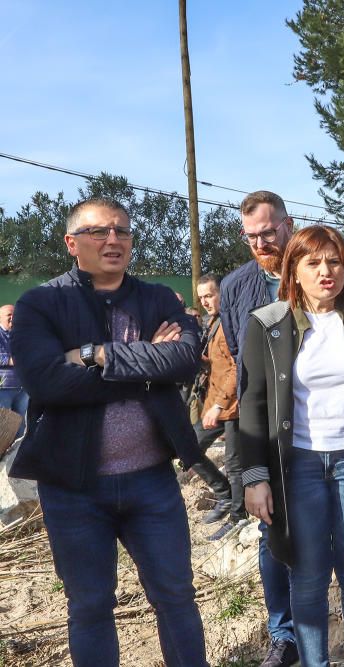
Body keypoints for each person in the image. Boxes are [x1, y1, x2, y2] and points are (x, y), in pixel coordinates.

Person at [9, 197, 208, 666]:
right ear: (71, 243)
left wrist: (97, 354)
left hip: (152, 481)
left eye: (122, 230)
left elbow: (183, 361)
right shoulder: (41, 304)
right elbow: (45, 382)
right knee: (90, 606)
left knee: (176, 595)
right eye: (100, 231)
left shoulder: (157, 297)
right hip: (72, 489)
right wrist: (143, 366)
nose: (113, 239)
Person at [220, 191, 344, 667]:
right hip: (297, 466)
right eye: (314, 264)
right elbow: (254, 404)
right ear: (294, 271)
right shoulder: (268, 324)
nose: (327, 272)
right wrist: (255, 476)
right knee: (307, 577)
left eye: (335, 262)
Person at [188, 273, 247, 537]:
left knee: (234, 464)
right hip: (215, 402)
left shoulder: (229, 323)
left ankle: (237, 516)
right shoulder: (213, 322)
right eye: (201, 298)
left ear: (222, 293)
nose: (205, 302)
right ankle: (224, 494)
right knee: (189, 448)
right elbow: (218, 364)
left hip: (232, 406)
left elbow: (236, 367)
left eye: (209, 296)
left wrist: (219, 406)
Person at [0, 304, 28, 439]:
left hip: (23, 387)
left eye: (15, 315)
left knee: (20, 420)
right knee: (2, 422)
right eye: (8, 315)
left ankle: (17, 453)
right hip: (3, 388)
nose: (13, 318)